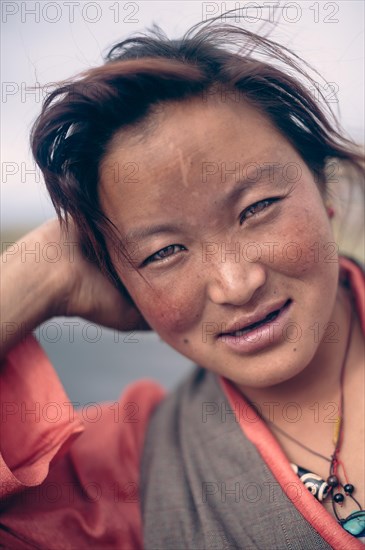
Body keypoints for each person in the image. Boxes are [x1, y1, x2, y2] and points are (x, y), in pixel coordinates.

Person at [1, 13, 364, 549]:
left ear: (321, 188)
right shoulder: (126, 473)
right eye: (163, 252)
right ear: (119, 278)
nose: (236, 284)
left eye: (258, 207)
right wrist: (39, 273)